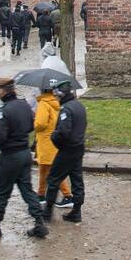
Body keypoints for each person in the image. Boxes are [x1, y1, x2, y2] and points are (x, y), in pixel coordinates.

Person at [0, 77, 46, 238]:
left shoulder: (4, 110)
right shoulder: (24, 105)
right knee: (27, 189)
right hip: (24, 153)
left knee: (2, 191)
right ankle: (39, 222)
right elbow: (30, 126)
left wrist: (1, 144)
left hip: (10, 156)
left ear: (3, 90)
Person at [42, 78, 85, 224]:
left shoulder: (66, 109)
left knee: (53, 179)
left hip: (67, 149)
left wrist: (54, 138)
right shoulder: (79, 106)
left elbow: (63, 132)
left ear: (62, 94)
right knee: (77, 179)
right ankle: (77, 211)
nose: (56, 98)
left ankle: (47, 211)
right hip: (79, 147)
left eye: (58, 95)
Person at [31, 84, 73, 210]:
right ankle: (41, 194)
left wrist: (34, 120)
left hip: (45, 142)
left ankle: (67, 195)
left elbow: (40, 124)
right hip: (51, 141)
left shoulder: (43, 104)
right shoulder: (55, 102)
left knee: (52, 171)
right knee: (43, 168)